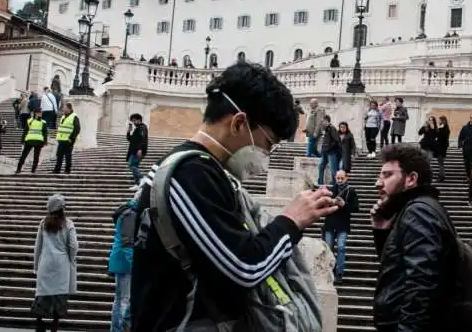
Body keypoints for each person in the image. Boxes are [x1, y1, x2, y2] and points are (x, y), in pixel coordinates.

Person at [130, 62, 338, 331]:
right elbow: (243, 269)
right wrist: (291, 221)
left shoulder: (200, 170)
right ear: (239, 123)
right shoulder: (189, 174)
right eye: (268, 143)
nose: (266, 156)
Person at [370, 144, 454, 328]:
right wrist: (382, 231)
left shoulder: (418, 212)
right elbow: (398, 272)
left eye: (388, 175)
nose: (378, 183)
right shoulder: (415, 210)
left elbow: (421, 285)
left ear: (411, 179)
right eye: (380, 175)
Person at [32, 194, 79, 332]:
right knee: (59, 295)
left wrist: (36, 266)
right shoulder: (68, 224)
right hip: (62, 264)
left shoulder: (43, 223)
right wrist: (70, 258)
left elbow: (38, 246)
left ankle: (39, 322)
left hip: (46, 263)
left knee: (42, 293)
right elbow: (74, 245)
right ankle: (55, 324)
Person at [322, 170, 360, 284]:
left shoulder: (351, 191)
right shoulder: (330, 190)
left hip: (343, 224)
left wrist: (344, 204)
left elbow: (356, 208)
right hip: (330, 223)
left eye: (341, 178)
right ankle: (329, 271)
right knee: (328, 248)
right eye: (337, 178)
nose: (339, 180)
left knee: (341, 247)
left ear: (346, 178)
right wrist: (330, 202)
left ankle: (339, 272)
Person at [109, 200, 136, 332]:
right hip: (124, 262)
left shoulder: (128, 212)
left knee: (119, 299)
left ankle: (116, 328)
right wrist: (134, 265)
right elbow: (127, 243)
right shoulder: (131, 214)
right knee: (124, 300)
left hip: (119, 260)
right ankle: (120, 328)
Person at [17, 109, 48, 174]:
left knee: (25, 155)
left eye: (41, 112)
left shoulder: (30, 121)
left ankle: (19, 169)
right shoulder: (43, 122)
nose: (41, 113)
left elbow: (26, 131)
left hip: (30, 140)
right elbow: (45, 133)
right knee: (34, 156)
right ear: (36, 113)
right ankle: (32, 170)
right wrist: (45, 141)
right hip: (37, 141)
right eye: (40, 112)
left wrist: (22, 139)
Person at [54, 103, 81, 175]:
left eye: (65, 108)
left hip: (68, 140)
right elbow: (61, 128)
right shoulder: (63, 117)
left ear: (69, 108)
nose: (63, 109)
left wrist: (71, 138)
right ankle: (57, 170)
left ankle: (67, 170)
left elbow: (77, 129)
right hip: (61, 139)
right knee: (59, 155)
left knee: (68, 156)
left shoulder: (74, 117)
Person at [125, 113, 148, 190]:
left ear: (139, 120)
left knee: (132, 165)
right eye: (132, 121)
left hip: (137, 151)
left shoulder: (142, 128)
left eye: (134, 121)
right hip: (133, 151)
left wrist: (140, 149)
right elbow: (130, 140)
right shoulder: (137, 129)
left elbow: (144, 139)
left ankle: (142, 179)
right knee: (134, 166)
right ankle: (138, 184)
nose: (133, 123)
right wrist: (128, 132)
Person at [316, 115, 341, 185]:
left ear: (326, 120)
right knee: (321, 166)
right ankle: (320, 182)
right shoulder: (325, 129)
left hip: (331, 152)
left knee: (333, 170)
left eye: (322, 121)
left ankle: (335, 184)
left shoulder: (332, 128)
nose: (321, 122)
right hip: (325, 152)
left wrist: (329, 147)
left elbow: (336, 140)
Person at [434, 116, 451, 182]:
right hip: (440, 147)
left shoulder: (444, 128)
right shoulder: (443, 128)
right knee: (440, 163)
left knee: (440, 163)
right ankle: (441, 176)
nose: (438, 121)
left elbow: (443, 138)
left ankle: (441, 176)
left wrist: (439, 130)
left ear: (443, 120)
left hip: (441, 148)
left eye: (439, 120)